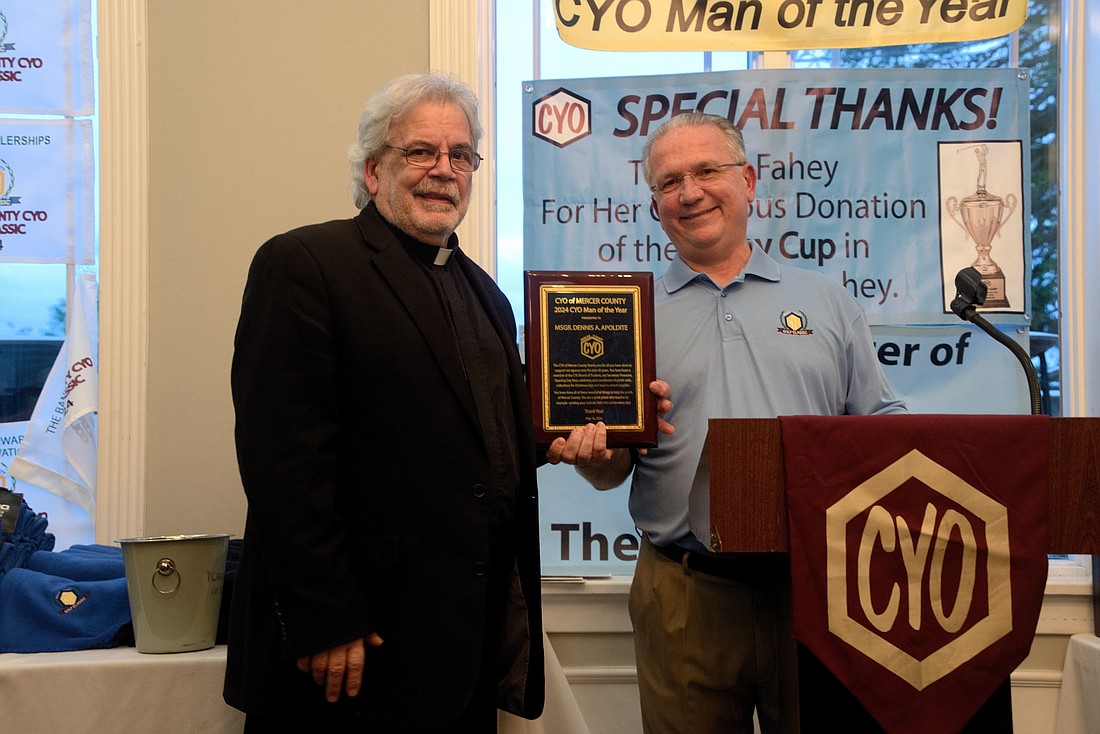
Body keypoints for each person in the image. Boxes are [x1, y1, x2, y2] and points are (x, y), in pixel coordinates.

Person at [547, 112, 907, 734]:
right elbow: (612, 475)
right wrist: (595, 453)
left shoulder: (826, 301)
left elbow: (880, 426)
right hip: (685, 593)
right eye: (668, 182)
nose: (689, 192)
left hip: (817, 590)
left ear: (747, 180)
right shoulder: (624, 318)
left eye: (706, 171)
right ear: (655, 203)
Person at [224, 72, 544, 732]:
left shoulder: (486, 293)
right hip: (351, 650)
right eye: (420, 151)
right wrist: (324, 617)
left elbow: (479, 447)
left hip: (461, 652)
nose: (443, 170)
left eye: (461, 155)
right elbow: (283, 465)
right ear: (373, 170)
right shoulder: (307, 263)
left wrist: (572, 432)